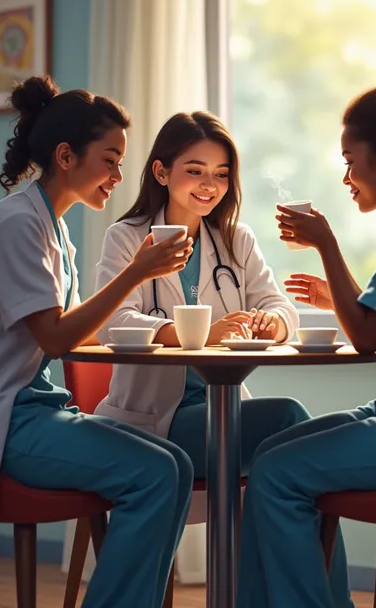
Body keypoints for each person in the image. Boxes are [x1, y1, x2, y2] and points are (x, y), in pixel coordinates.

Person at [235, 54, 376, 608]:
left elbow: (366, 336)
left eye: (349, 161)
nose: (345, 177)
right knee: (269, 452)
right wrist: (338, 295)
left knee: (274, 475)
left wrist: (327, 243)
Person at [0, 75, 195, 608]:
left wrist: (154, 330)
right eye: (110, 160)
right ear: (66, 155)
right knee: (155, 472)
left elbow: (78, 335)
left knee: (173, 463)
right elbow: (57, 339)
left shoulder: (52, 229)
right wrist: (133, 274)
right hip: (12, 421)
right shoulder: (15, 224)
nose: (117, 176)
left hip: (41, 411)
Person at [94, 111, 308, 488]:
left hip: (222, 408)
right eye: (195, 170)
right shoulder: (126, 237)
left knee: (294, 468)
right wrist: (203, 334)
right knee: (288, 423)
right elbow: (114, 323)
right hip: (154, 424)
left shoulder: (235, 239)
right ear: (161, 173)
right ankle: (300, 548)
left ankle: (274, 545)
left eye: (221, 174)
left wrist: (268, 325)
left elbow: (283, 309)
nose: (210, 184)